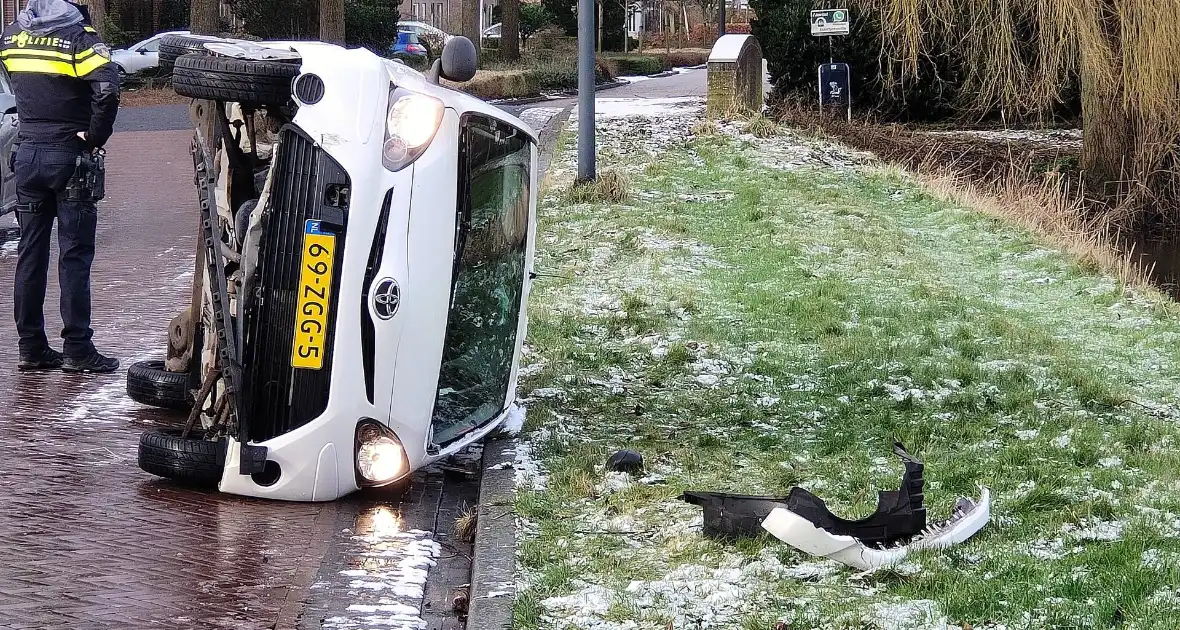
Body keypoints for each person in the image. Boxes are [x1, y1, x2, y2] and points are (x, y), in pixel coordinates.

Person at [0, 0, 120, 373]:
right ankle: (78, 349)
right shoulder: (78, 39)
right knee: (74, 254)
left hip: (27, 153)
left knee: (30, 252)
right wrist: (95, 136)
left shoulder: (11, 37)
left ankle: (31, 347)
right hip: (69, 155)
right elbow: (107, 89)